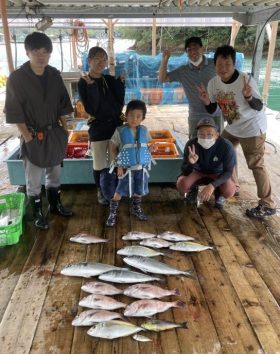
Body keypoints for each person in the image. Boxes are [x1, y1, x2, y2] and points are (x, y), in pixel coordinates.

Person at [5, 32, 73, 230]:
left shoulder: (53, 74)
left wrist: (65, 129)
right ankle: (37, 213)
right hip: (33, 134)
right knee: (33, 178)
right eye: (36, 51)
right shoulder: (17, 78)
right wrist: (27, 137)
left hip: (54, 133)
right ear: (27, 52)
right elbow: (14, 111)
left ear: (50, 54)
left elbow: (62, 103)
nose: (41, 56)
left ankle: (55, 204)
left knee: (55, 172)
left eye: (45, 52)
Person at [197, 44, 276, 218]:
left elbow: (258, 106)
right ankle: (233, 187)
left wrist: (248, 96)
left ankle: (267, 203)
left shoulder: (245, 80)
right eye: (220, 65)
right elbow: (212, 110)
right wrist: (205, 101)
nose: (223, 69)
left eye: (228, 64)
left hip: (252, 128)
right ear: (214, 65)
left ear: (234, 65)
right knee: (223, 151)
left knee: (255, 164)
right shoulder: (213, 83)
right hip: (233, 127)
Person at [78, 46, 125, 205]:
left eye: (104, 59)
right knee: (99, 163)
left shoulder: (109, 79)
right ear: (89, 60)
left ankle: (113, 188)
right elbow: (92, 108)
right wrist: (91, 86)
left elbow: (119, 103)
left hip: (114, 127)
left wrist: (121, 83)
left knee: (114, 162)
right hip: (98, 128)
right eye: (97, 59)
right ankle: (100, 189)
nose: (101, 62)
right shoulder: (83, 82)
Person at [159, 36, 222, 138]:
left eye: (195, 48)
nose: (192, 51)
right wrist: (165, 60)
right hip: (195, 115)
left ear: (202, 48)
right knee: (195, 146)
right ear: (186, 53)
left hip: (216, 113)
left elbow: (228, 76)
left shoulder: (214, 64)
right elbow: (162, 79)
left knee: (218, 146)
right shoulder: (183, 71)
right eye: (189, 50)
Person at [106, 100, 155, 227]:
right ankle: (112, 213)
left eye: (138, 116)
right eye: (131, 115)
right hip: (126, 168)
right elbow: (113, 148)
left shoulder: (144, 130)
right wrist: (119, 165)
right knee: (119, 191)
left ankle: (136, 209)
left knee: (138, 190)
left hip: (141, 168)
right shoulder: (120, 131)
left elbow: (147, 146)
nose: (134, 119)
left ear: (143, 118)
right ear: (126, 115)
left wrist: (151, 149)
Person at [177, 117, 236, 208]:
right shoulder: (191, 144)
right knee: (182, 185)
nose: (205, 138)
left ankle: (218, 192)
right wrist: (191, 163)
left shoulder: (226, 146)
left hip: (218, 173)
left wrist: (212, 185)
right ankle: (193, 190)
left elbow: (228, 171)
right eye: (201, 134)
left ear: (217, 135)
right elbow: (184, 170)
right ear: (197, 134)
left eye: (209, 134)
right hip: (197, 171)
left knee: (229, 191)